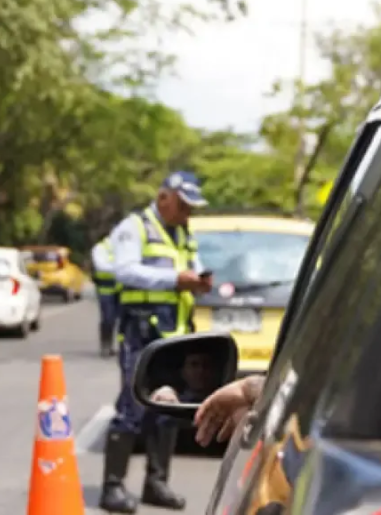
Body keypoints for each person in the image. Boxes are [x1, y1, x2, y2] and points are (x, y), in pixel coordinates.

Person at [99, 171, 213, 513]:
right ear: (164, 198)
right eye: (183, 205)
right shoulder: (134, 227)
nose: (187, 212)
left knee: (167, 409)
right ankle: (112, 487)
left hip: (173, 333)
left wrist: (198, 279)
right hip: (141, 330)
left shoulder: (182, 231)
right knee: (132, 406)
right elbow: (124, 271)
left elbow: (191, 265)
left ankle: (156, 483)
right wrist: (175, 279)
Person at [91, 235, 120, 357]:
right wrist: (123, 269)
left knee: (127, 320)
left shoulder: (125, 247)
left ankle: (124, 346)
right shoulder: (100, 248)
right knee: (108, 319)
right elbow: (101, 266)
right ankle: (106, 345)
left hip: (123, 290)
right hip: (105, 290)